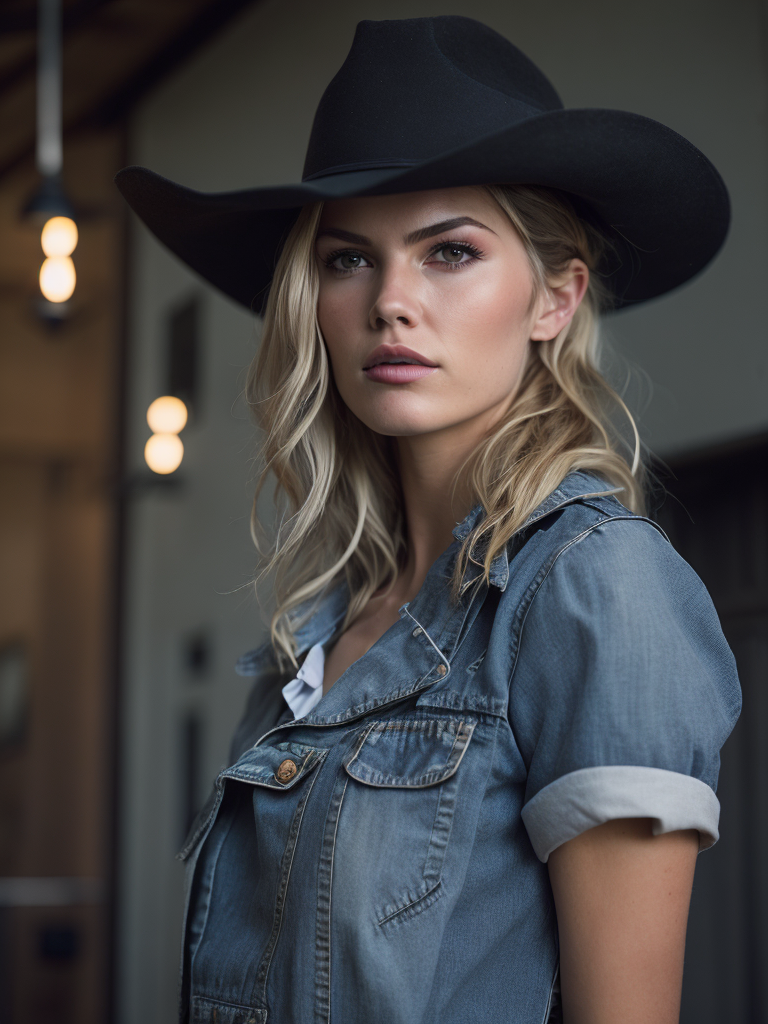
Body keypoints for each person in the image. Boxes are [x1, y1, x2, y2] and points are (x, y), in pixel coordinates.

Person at [116, 16, 741, 1024]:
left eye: (449, 250)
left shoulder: (598, 586)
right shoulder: (309, 637)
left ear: (555, 297)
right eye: (349, 260)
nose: (392, 302)